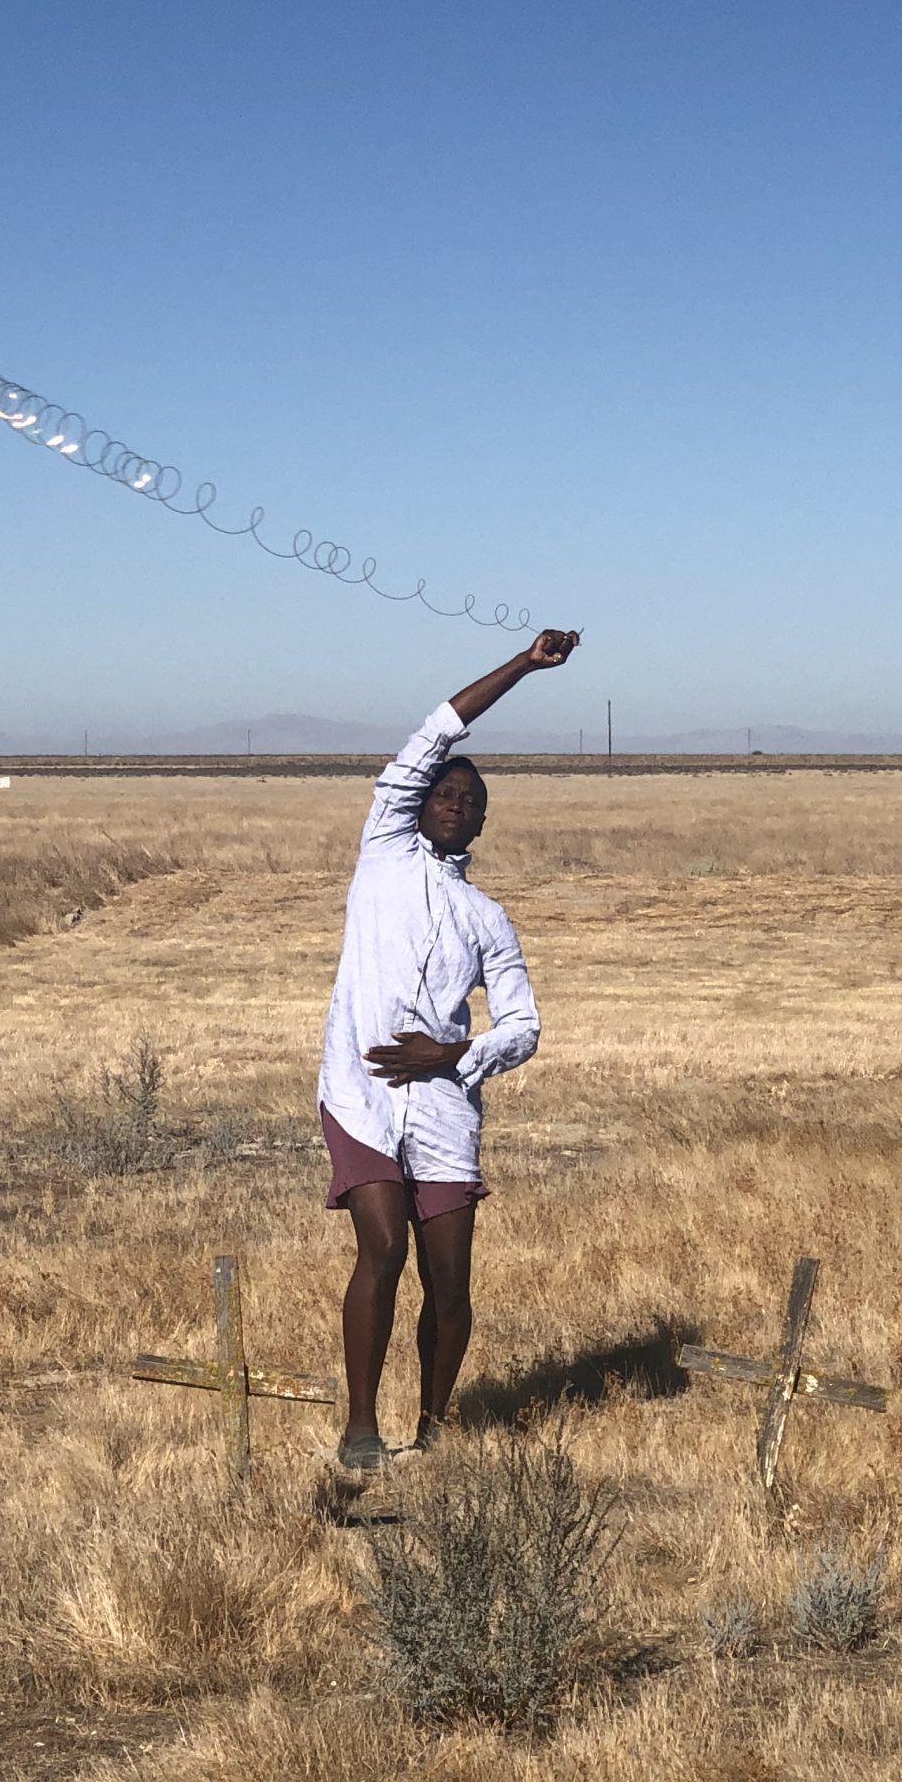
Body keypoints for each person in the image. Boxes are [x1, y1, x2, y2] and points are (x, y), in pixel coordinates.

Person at [320, 629, 581, 1469]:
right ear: (418, 801)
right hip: (360, 1090)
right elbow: (439, 728)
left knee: (453, 1286)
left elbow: (523, 1026)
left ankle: (435, 1434)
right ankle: (362, 1427)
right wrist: (524, 666)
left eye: (473, 802)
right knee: (383, 1247)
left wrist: (455, 1059)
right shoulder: (384, 849)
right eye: (447, 794)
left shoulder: (487, 918)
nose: (459, 804)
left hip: (442, 1107)